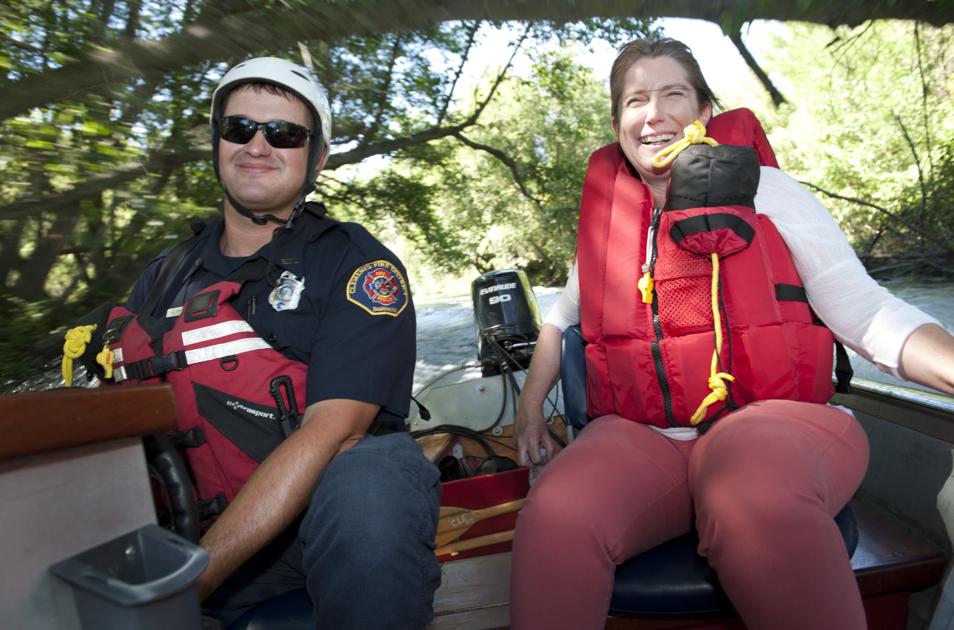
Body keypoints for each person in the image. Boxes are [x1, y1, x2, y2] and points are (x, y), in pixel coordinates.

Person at [511, 37, 954, 630]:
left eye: (673, 95)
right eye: (636, 101)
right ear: (618, 124)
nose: (654, 114)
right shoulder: (609, 221)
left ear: (704, 112)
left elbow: (867, 313)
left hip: (776, 423)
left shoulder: (771, 192)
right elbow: (561, 319)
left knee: (748, 496)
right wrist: (530, 410)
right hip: (649, 439)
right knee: (555, 517)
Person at [66, 57, 440, 628]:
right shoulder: (163, 277)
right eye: (239, 128)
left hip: (323, 529)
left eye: (284, 133)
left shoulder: (356, 265)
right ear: (218, 143)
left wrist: (192, 581)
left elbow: (335, 430)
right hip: (196, 524)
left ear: (316, 157)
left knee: (374, 476)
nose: (257, 146)